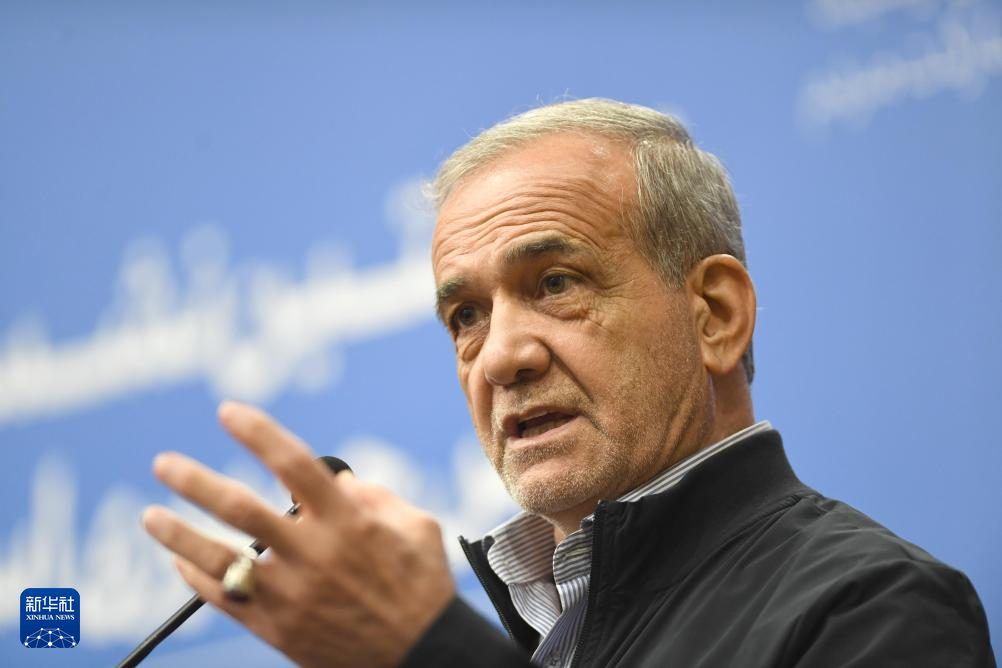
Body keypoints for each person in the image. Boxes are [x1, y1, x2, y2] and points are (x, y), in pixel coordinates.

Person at [141, 98, 995, 667]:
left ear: (715, 315)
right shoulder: (545, 637)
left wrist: (430, 649)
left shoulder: (869, 610)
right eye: (466, 315)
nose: (501, 356)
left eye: (556, 283)